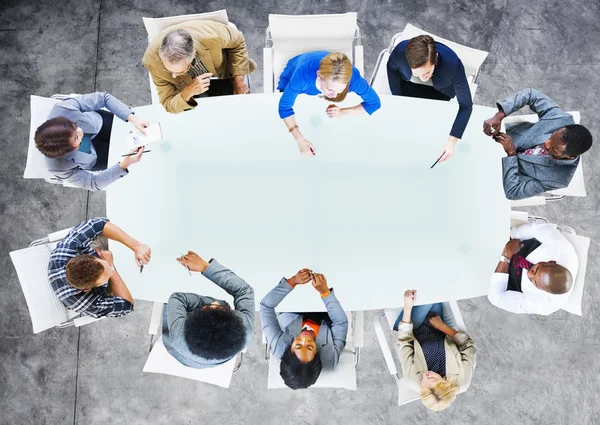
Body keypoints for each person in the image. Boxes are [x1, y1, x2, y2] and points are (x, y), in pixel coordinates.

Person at [483, 88, 593, 200]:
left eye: (554, 149)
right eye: (551, 137)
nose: (546, 144)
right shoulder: (560, 119)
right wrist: (500, 115)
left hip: (496, 172)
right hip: (491, 138)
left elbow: (513, 192)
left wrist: (511, 154)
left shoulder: (558, 179)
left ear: (569, 157)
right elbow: (531, 94)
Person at [35, 92, 149, 191]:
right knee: (143, 164)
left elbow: (103, 98)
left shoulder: (62, 109)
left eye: (74, 125)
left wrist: (134, 120)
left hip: (99, 124)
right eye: (76, 138)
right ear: (69, 152)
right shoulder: (58, 167)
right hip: (96, 157)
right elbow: (92, 183)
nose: (80, 131)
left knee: (143, 131)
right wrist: (125, 164)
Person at [387, 35, 473, 163]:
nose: (423, 78)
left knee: (430, 126)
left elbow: (466, 106)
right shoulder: (400, 52)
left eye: (427, 72)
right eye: (417, 73)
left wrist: (452, 141)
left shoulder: (453, 65)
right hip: (409, 84)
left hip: (440, 91)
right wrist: (398, 99)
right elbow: (391, 68)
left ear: (436, 58)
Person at [277, 51, 381, 156]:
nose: (335, 96)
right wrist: (300, 140)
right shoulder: (302, 77)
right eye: (330, 90)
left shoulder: (354, 79)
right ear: (319, 75)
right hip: (299, 69)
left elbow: (374, 103)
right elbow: (284, 107)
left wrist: (342, 112)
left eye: (340, 91)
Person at [163, 251, 255, 368]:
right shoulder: (246, 330)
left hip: (182, 356)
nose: (216, 302)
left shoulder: (178, 334)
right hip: (214, 359)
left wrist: (208, 303)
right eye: (223, 308)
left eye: (211, 306)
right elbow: (245, 291)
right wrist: (205, 267)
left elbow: (177, 298)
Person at [142, 20, 256, 114]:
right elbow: (168, 104)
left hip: (223, 72)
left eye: (181, 70)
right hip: (185, 86)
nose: (173, 75)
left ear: (193, 55)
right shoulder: (152, 62)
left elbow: (238, 41)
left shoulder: (213, 36)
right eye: (168, 69)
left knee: (239, 111)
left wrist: (239, 80)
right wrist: (186, 93)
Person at [260, 269, 348, 389]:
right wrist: (325, 293)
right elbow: (340, 323)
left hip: (293, 310)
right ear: (317, 354)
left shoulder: (278, 347)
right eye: (310, 347)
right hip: (326, 315)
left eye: (298, 345)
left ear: (288, 350)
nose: (305, 339)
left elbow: (266, 307)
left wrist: (293, 281)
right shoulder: (330, 358)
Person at [48, 217, 151, 318]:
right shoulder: (90, 304)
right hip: (101, 292)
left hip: (96, 258)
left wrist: (136, 246)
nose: (110, 270)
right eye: (106, 275)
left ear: (90, 257)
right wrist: (111, 266)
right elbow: (127, 305)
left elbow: (98, 223)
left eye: (103, 263)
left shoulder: (66, 250)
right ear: (87, 289)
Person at [395, 289, 476, 411]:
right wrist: (441, 326)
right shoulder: (462, 381)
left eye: (423, 383)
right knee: (433, 291)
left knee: (429, 292)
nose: (426, 376)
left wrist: (407, 308)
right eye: (432, 379)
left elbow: (404, 341)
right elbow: (468, 346)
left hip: (410, 329)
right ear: (445, 383)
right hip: (439, 326)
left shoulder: (412, 381)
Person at [488, 221, 578, 315]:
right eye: (537, 269)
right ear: (551, 262)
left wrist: (506, 256)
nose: (530, 274)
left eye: (534, 281)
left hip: (510, 278)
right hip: (523, 248)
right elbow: (535, 228)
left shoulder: (544, 305)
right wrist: (513, 237)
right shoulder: (561, 247)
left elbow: (496, 298)